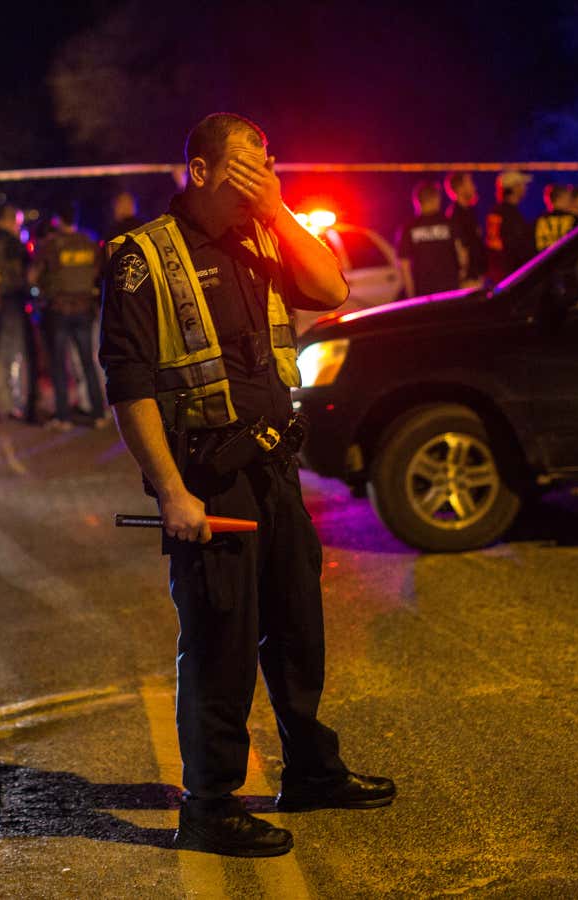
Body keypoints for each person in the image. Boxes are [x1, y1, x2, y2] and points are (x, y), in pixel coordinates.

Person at [100, 112, 395, 859]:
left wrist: (278, 208)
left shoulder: (262, 234)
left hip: (275, 471)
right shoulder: (142, 258)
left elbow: (327, 287)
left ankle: (311, 770)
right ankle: (209, 805)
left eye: (269, 164)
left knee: (298, 626)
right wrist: (171, 493)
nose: (262, 178)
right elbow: (129, 386)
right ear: (199, 171)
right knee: (220, 640)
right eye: (246, 168)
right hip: (208, 477)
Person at [31, 208, 106, 429]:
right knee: (88, 363)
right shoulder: (89, 243)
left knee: (58, 364)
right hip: (85, 309)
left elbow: (33, 277)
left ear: (58, 221)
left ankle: (63, 417)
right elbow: (97, 273)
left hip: (59, 311)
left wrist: (43, 289)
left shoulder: (52, 246)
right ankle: (99, 414)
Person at [0, 203, 40, 423]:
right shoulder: (12, 244)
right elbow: (28, 274)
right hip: (12, 303)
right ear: (9, 219)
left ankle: (4, 404)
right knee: (17, 355)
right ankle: (17, 404)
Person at [395, 180, 461, 297]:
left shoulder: (409, 228)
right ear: (436, 199)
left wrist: (411, 295)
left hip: (423, 294)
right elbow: (462, 254)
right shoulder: (449, 223)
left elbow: (404, 265)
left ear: (417, 202)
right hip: (450, 290)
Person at [485, 169, 536, 283]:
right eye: (522, 185)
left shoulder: (496, 211)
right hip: (510, 274)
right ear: (514, 187)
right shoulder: (510, 214)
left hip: (498, 271)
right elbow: (516, 245)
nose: (525, 188)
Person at [444, 171, 485, 288]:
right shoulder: (455, 216)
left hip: (477, 277)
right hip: (468, 281)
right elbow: (460, 249)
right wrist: (464, 275)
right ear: (460, 188)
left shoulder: (471, 211)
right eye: (470, 183)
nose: (474, 187)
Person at [534, 183, 578, 253]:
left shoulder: (537, 221)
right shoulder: (573, 219)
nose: (571, 201)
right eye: (569, 198)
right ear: (560, 198)